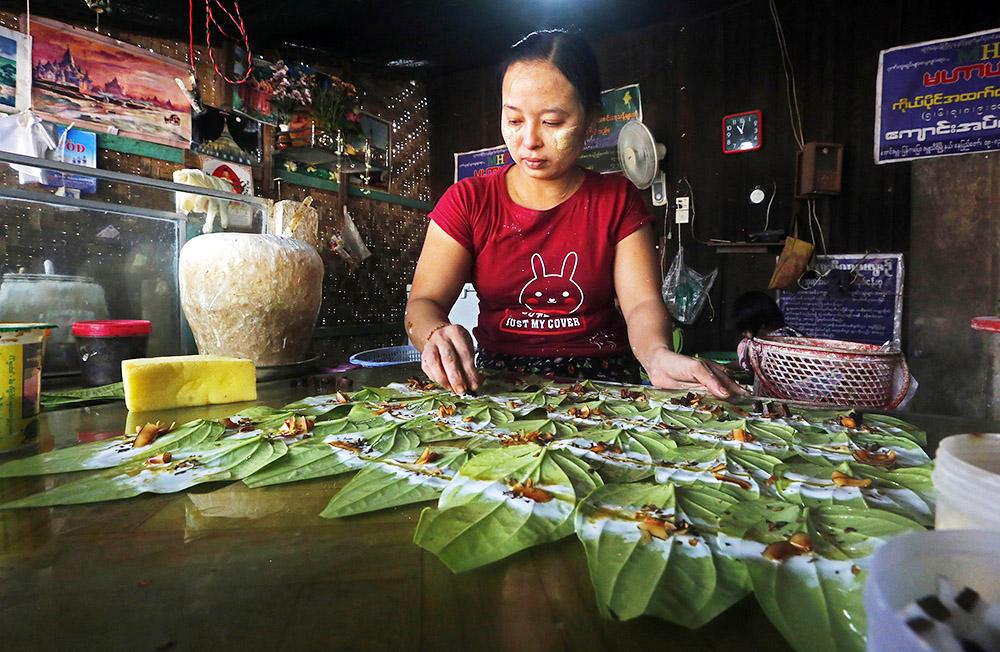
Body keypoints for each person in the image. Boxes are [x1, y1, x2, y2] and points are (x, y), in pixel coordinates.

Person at [405, 29, 742, 399]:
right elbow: (424, 303)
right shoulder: (469, 201)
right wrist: (434, 334)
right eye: (514, 121)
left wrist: (657, 356)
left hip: (603, 379)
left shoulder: (616, 200)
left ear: (592, 121)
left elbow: (642, 303)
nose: (529, 140)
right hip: (497, 382)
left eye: (551, 122)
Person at [732, 291, 804, 372]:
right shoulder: (792, 334)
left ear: (760, 323)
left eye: (745, 328)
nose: (743, 334)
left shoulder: (775, 344)